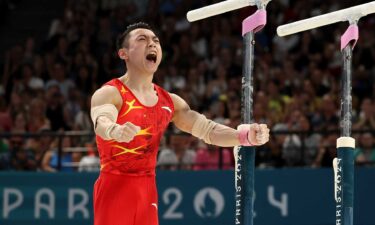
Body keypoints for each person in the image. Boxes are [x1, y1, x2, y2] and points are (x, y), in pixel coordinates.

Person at [90, 22, 270, 225]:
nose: (152, 44)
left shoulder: (170, 102)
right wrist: (115, 130)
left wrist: (245, 136)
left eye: (156, 41)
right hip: (114, 186)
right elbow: (101, 120)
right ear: (123, 53)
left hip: (147, 189)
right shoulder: (111, 92)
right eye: (142, 39)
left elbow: (208, 130)